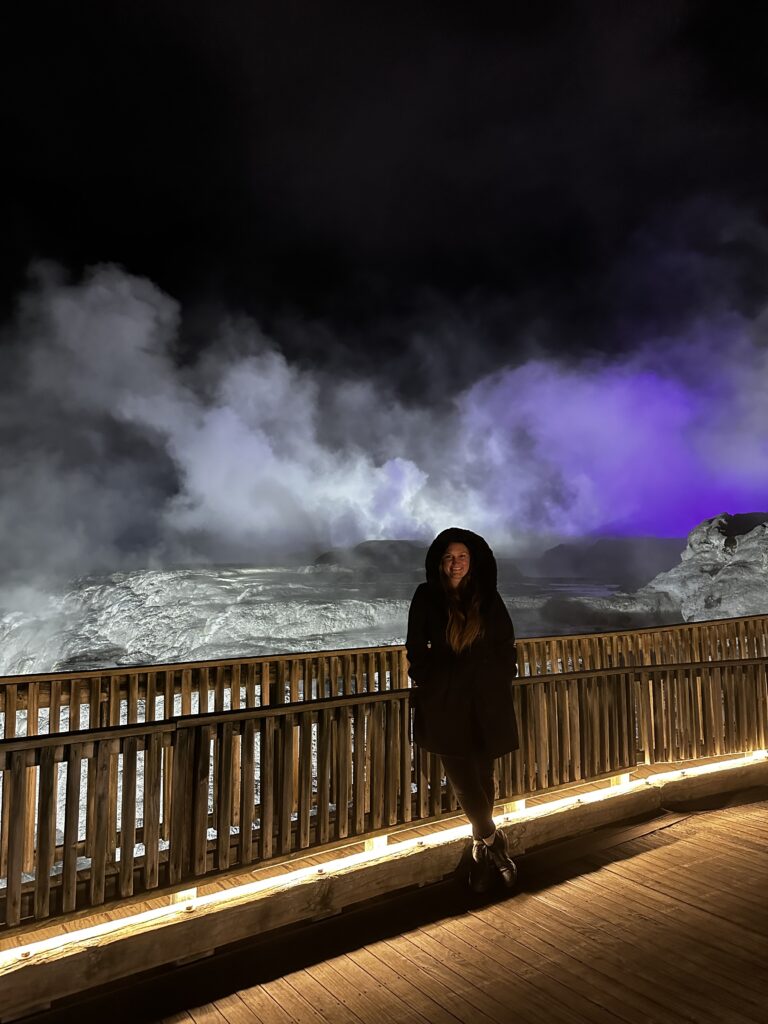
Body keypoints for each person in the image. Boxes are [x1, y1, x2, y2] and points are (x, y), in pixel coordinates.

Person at [406, 527, 520, 892]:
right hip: (444, 702)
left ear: (473, 561)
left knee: (483, 774)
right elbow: (415, 645)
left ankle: (480, 854)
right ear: (439, 563)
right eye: (449, 558)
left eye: (462, 557)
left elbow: (505, 641)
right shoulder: (426, 596)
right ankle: (493, 842)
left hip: (484, 700)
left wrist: (503, 675)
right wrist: (431, 680)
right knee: (461, 776)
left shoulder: (487, 596)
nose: (455, 564)